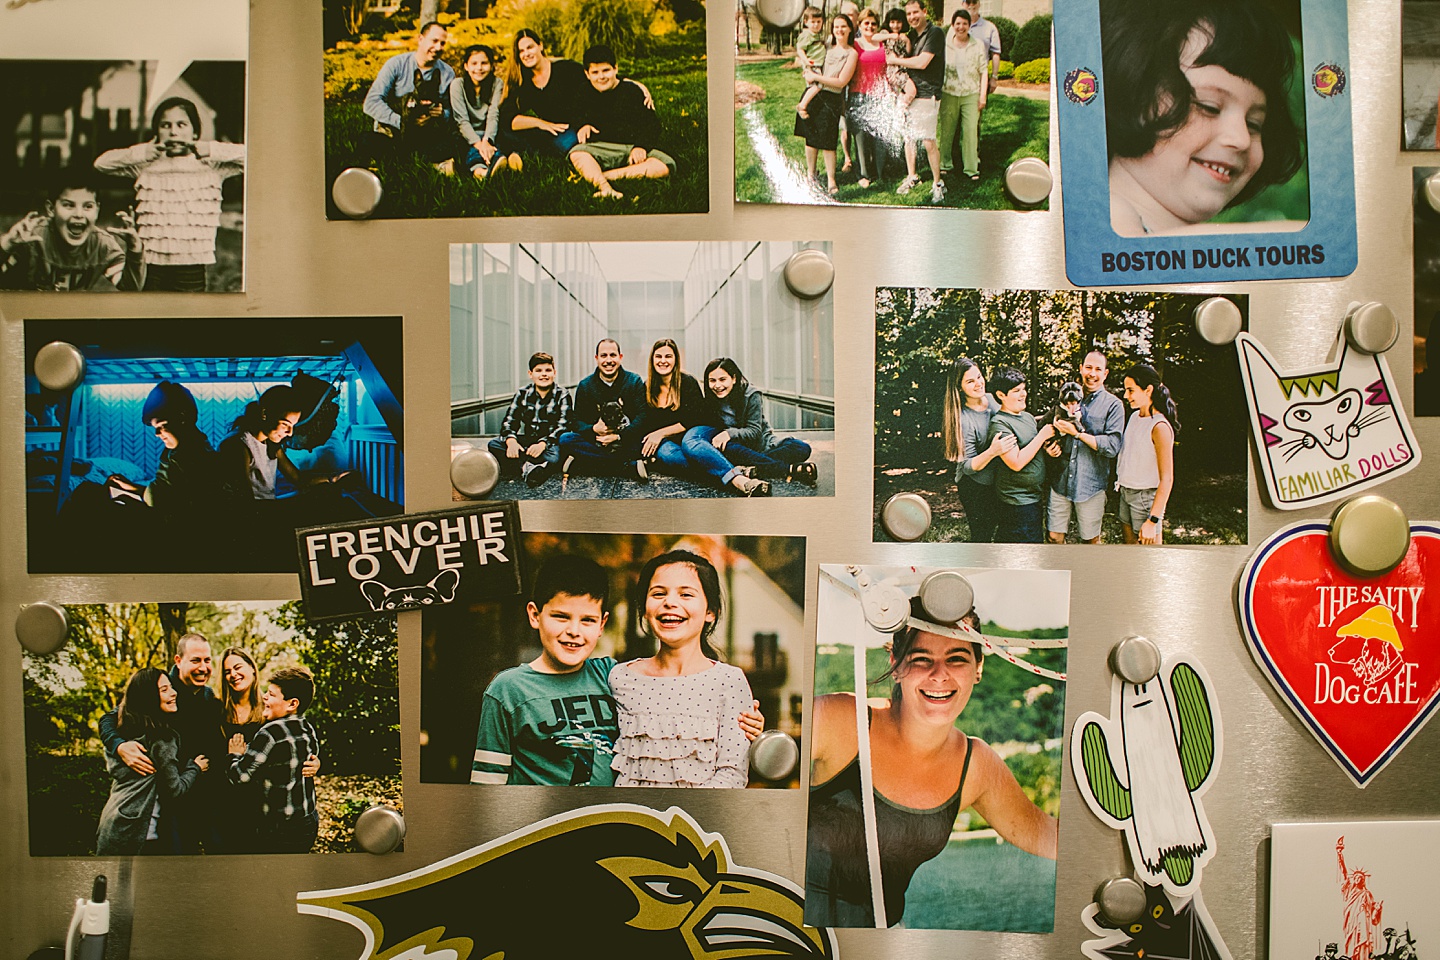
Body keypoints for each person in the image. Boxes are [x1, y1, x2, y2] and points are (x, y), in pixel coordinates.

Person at [807, 602, 1058, 927]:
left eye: (956, 659)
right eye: (922, 659)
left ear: (978, 667)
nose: (939, 675)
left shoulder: (975, 765)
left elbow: (1051, 838)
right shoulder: (840, 720)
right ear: (896, 665)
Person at [472, 555, 765, 786]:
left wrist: (749, 723)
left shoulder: (609, 674)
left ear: (602, 624)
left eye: (587, 620)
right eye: (561, 617)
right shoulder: (617, 677)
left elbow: (725, 763)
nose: (574, 631)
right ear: (535, 615)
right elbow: (487, 786)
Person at [1102, 0, 1304, 236]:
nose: (1241, 139)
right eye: (1209, 107)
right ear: (1132, 92)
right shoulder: (1107, 214)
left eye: (1254, 124)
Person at [608, 551, 756, 788]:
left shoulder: (729, 681)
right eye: (658, 593)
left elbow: (732, 773)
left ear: (711, 612)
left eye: (686, 594)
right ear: (645, 609)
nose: (670, 602)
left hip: (696, 823)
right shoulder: (619, 677)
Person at [93, 97, 245, 292]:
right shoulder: (146, 165)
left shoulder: (212, 166)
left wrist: (212, 149)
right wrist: (142, 152)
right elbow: (101, 163)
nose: (174, 132)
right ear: (156, 132)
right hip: (150, 266)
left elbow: (254, 158)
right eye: (166, 125)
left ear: (195, 131)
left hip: (191, 267)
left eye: (182, 125)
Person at [98, 634, 226, 853]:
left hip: (198, 792)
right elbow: (110, 717)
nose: (203, 667)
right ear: (178, 660)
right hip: (165, 801)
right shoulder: (159, 687)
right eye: (195, 660)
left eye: (207, 660)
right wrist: (118, 745)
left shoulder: (207, 696)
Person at [227, 667, 322, 854]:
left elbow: (240, 776)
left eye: (271, 695)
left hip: (279, 829)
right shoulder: (307, 727)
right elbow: (312, 757)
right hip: (308, 821)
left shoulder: (270, 732)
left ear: (292, 704)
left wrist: (235, 755)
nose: (264, 697)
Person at [685, 357, 818, 486]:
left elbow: (754, 431)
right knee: (726, 448)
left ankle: (755, 468)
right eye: (712, 380)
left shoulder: (751, 394)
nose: (717, 385)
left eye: (722, 379)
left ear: (734, 379)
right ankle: (787, 470)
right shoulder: (710, 400)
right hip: (737, 448)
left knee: (802, 448)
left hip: (762, 445)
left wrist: (728, 434)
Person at [0, 175, 143, 291]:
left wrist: (134, 249)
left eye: (88, 206)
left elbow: (130, 287)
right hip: (23, 317)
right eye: (68, 205)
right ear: (51, 209)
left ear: (97, 211)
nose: (79, 214)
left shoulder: (102, 245)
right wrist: (7, 244)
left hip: (68, 317)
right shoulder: (32, 239)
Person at [569, 45, 676, 200]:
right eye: (595, 72)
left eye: (606, 70)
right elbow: (575, 113)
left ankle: (603, 176)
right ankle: (605, 188)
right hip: (602, 149)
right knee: (577, 153)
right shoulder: (584, 91)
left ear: (615, 69)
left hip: (631, 149)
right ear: (587, 74)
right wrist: (582, 125)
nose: (601, 77)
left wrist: (641, 146)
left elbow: (652, 124)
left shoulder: (631, 91)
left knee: (665, 166)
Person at [217, 384, 353, 504]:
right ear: (265, 414)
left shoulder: (270, 443)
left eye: (293, 426)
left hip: (264, 507)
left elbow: (298, 478)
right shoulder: (237, 445)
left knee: (325, 493)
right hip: (247, 512)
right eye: (285, 424)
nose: (289, 432)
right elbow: (244, 500)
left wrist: (332, 478)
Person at [103, 381, 222, 516]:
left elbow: (171, 503)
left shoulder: (192, 455)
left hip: (172, 523)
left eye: (161, 426)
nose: (157, 434)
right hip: (163, 513)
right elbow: (164, 490)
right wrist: (132, 487)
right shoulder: (178, 450)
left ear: (182, 418)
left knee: (91, 495)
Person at [1047, 351, 1125, 544]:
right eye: (1088, 367)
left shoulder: (1113, 405)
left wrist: (1078, 434)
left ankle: (1086, 574)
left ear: (1105, 374)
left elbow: (1112, 446)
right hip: (1061, 481)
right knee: (1053, 537)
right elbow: (1050, 426)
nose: (1092, 373)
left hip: (1090, 484)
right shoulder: (1068, 395)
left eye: (1098, 369)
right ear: (1081, 369)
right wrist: (1049, 446)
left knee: (1090, 542)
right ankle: (1062, 573)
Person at [361, 21, 456, 170]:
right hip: (395, 131)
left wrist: (442, 113)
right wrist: (403, 122)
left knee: (455, 141)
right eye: (434, 41)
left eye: (442, 43)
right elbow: (371, 102)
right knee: (367, 140)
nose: (438, 47)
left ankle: (401, 161)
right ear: (420, 39)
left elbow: (453, 111)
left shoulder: (447, 73)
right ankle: (430, 163)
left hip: (428, 134)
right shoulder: (396, 64)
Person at [941, 358, 1015, 543]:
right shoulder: (964, 419)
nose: (978, 383)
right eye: (970, 381)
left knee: (1005, 531)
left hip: (997, 480)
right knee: (982, 536)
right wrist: (993, 451)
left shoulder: (991, 399)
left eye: (979, 377)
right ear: (959, 388)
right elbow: (967, 466)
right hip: (974, 486)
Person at [985, 368, 1058, 543]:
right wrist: (1042, 436)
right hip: (1016, 504)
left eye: (1023, 389)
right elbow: (1015, 462)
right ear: (1001, 394)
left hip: (1033, 500)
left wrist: (1047, 448)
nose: (1023, 394)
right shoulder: (1000, 424)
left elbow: (1032, 446)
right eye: (1016, 391)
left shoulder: (1027, 417)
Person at [558, 339, 647, 478]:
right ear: (596, 358)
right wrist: (593, 429)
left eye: (613, 355)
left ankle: (583, 464)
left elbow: (642, 417)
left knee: (642, 444)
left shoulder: (634, 381)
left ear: (620, 357)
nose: (608, 360)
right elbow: (576, 421)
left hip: (625, 440)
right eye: (604, 355)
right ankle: (628, 467)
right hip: (596, 441)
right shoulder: (586, 385)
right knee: (565, 439)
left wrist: (618, 436)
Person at [793, 14, 860, 198]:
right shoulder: (826, 47)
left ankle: (831, 180)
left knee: (828, 142)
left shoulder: (851, 53)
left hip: (831, 99)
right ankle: (811, 174)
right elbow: (807, 58)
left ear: (849, 29)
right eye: (836, 26)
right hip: (813, 95)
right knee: (811, 138)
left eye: (843, 26)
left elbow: (840, 81)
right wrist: (808, 70)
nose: (839, 30)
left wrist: (816, 78)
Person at [886, 0, 946, 202]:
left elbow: (922, 62)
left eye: (915, 12)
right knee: (909, 138)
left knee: (928, 141)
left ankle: (938, 183)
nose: (912, 17)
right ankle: (912, 176)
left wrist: (895, 61)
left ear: (924, 11)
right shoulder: (911, 35)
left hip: (927, 93)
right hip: (909, 92)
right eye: (909, 14)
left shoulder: (935, 33)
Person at [624, 338, 707, 483]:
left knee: (687, 452)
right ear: (652, 360)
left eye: (668, 356)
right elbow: (644, 421)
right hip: (664, 444)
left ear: (675, 359)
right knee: (667, 454)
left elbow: (694, 419)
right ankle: (722, 471)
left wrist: (660, 433)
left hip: (689, 438)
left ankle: (725, 472)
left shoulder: (687, 382)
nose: (663, 361)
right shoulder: (646, 387)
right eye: (658, 356)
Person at [488, 351, 573, 488]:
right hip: (527, 441)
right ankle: (529, 467)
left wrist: (542, 444)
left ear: (554, 372)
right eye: (538, 370)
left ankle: (522, 465)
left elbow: (563, 425)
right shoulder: (523, 393)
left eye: (548, 370)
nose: (544, 374)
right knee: (494, 444)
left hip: (549, 444)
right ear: (530, 374)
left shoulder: (562, 394)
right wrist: (511, 441)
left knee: (554, 456)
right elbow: (510, 420)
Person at [1116, 364, 1178, 545]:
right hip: (1125, 493)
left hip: (1145, 499)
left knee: (1149, 559)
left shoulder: (1159, 427)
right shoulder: (1135, 417)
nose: (1126, 396)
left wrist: (1152, 520)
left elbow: (1167, 479)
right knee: (1130, 553)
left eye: (1131, 390)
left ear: (1148, 390)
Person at [506, 29, 590, 157]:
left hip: (577, 125)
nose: (526, 54)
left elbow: (596, 79)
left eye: (530, 47)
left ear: (540, 45)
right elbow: (509, 118)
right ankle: (516, 157)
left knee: (563, 144)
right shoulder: (523, 81)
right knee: (506, 133)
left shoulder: (567, 69)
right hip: (550, 130)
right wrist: (540, 123)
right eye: (521, 51)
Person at [449, 44, 516, 178]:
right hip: (466, 135)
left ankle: (491, 167)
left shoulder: (497, 84)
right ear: (466, 66)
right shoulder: (457, 85)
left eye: (484, 63)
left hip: (490, 132)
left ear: (491, 66)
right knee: (465, 147)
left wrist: (486, 141)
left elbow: (493, 115)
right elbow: (461, 120)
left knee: (500, 142)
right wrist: (479, 144)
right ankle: (482, 172)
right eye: (474, 63)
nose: (479, 68)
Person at [937, 9, 987, 182]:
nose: (961, 27)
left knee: (970, 131)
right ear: (953, 25)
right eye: (957, 23)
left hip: (971, 93)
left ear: (969, 25)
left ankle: (971, 168)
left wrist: (982, 96)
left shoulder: (978, 44)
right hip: (949, 93)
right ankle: (945, 164)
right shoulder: (944, 44)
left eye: (964, 23)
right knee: (947, 131)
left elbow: (984, 71)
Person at [847, 10, 892, 187]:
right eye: (866, 23)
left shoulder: (883, 44)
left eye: (873, 23)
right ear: (859, 25)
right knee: (861, 138)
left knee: (880, 137)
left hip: (880, 96)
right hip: (858, 95)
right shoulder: (855, 45)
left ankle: (881, 173)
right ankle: (863, 175)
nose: (870, 27)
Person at [960, 0, 1002, 106]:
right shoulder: (956, 27)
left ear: (979, 4)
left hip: (979, 79)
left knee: (975, 115)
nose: (971, 5)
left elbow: (995, 54)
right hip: (958, 77)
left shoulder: (990, 27)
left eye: (974, 1)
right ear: (963, 4)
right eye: (968, 2)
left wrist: (994, 78)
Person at [794, 6, 828, 119]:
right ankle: (802, 106)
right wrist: (806, 61)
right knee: (818, 85)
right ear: (806, 22)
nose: (816, 24)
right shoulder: (806, 35)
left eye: (818, 21)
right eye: (812, 22)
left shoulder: (819, 34)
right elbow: (800, 49)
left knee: (817, 86)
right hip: (812, 65)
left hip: (819, 64)